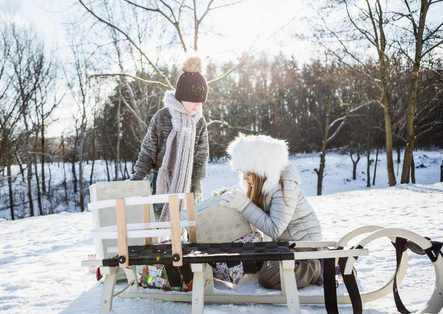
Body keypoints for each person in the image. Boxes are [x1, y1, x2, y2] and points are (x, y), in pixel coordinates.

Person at [218, 133, 324, 289]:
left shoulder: (285, 185)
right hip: (282, 245)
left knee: (268, 276)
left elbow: (275, 228)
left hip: (303, 243)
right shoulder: (262, 186)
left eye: (249, 174)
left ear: (261, 172)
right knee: (251, 260)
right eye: (243, 173)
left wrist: (243, 205)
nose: (245, 179)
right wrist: (230, 201)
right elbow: (255, 218)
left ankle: (317, 267)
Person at [130, 56, 209, 221]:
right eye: (193, 101)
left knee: (189, 223)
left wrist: (197, 181)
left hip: (189, 183)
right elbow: (149, 149)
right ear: (181, 97)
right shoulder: (163, 117)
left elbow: (201, 155)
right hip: (161, 182)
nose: (197, 105)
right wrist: (139, 175)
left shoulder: (199, 121)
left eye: (200, 102)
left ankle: (184, 247)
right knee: (159, 222)